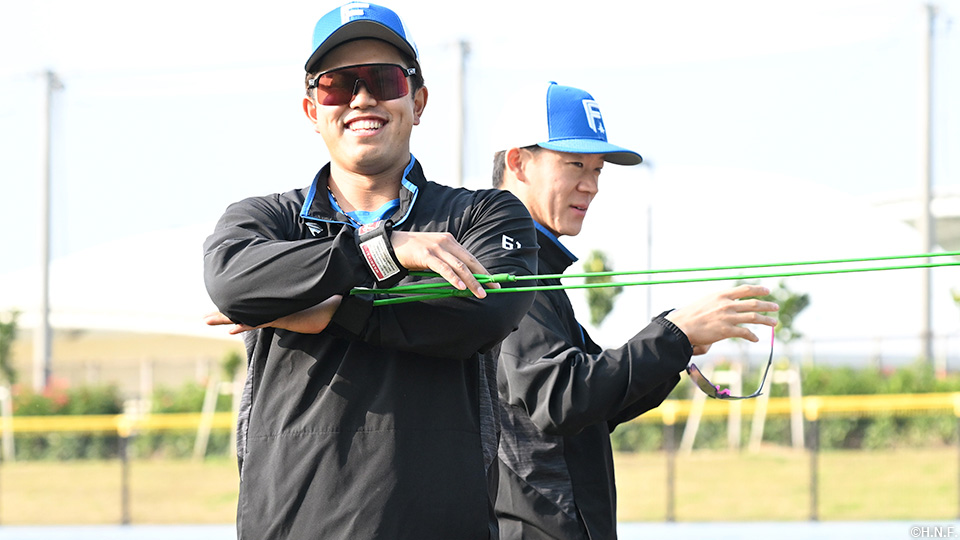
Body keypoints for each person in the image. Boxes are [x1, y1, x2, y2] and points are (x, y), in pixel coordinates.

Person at [202, 3, 538, 539]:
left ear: (418, 101)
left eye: (384, 79)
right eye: (337, 84)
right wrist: (381, 251)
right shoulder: (265, 217)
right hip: (290, 525)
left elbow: (484, 311)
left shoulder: (484, 214)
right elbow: (232, 283)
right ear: (313, 110)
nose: (362, 98)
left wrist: (328, 308)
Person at [491, 82, 779, 540]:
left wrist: (677, 346)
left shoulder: (536, 267)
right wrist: (672, 334)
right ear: (518, 162)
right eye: (574, 165)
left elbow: (597, 406)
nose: (591, 185)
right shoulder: (504, 267)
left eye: (598, 169)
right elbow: (560, 397)